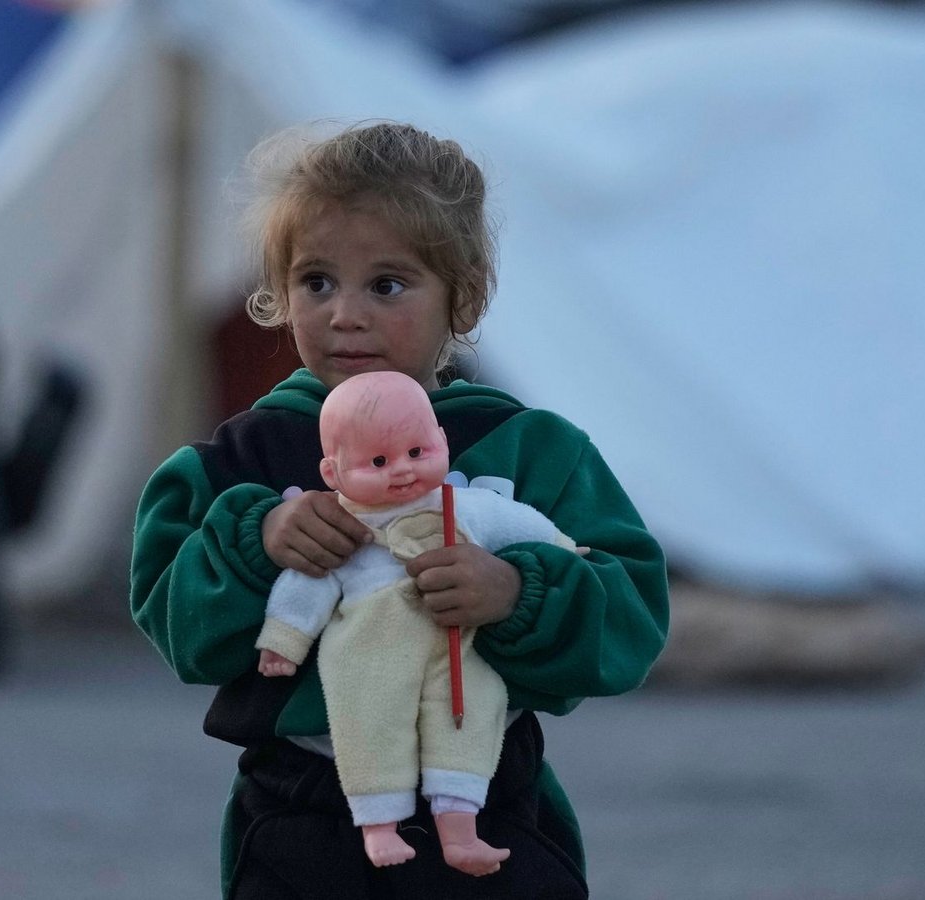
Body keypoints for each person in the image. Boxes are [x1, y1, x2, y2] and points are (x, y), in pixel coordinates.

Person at [129, 120, 668, 899]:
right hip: (300, 819)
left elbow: (632, 617)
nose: (346, 313)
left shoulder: (528, 449)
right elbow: (173, 624)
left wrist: (518, 595)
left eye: (386, 285)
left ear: (467, 292)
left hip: (490, 813)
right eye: (317, 281)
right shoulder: (241, 460)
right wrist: (258, 541)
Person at [256, 370, 580, 877]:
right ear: (333, 473)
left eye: (417, 453)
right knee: (368, 727)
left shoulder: (468, 509)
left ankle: (460, 828)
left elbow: (525, 524)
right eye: (378, 462)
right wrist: (284, 640)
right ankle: (379, 825)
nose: (402, 472)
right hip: (369, 652)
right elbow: (306, 586)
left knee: (471, 714)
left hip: (460, 644)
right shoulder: (345, 528)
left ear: (441, 443)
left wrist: (564, 549)